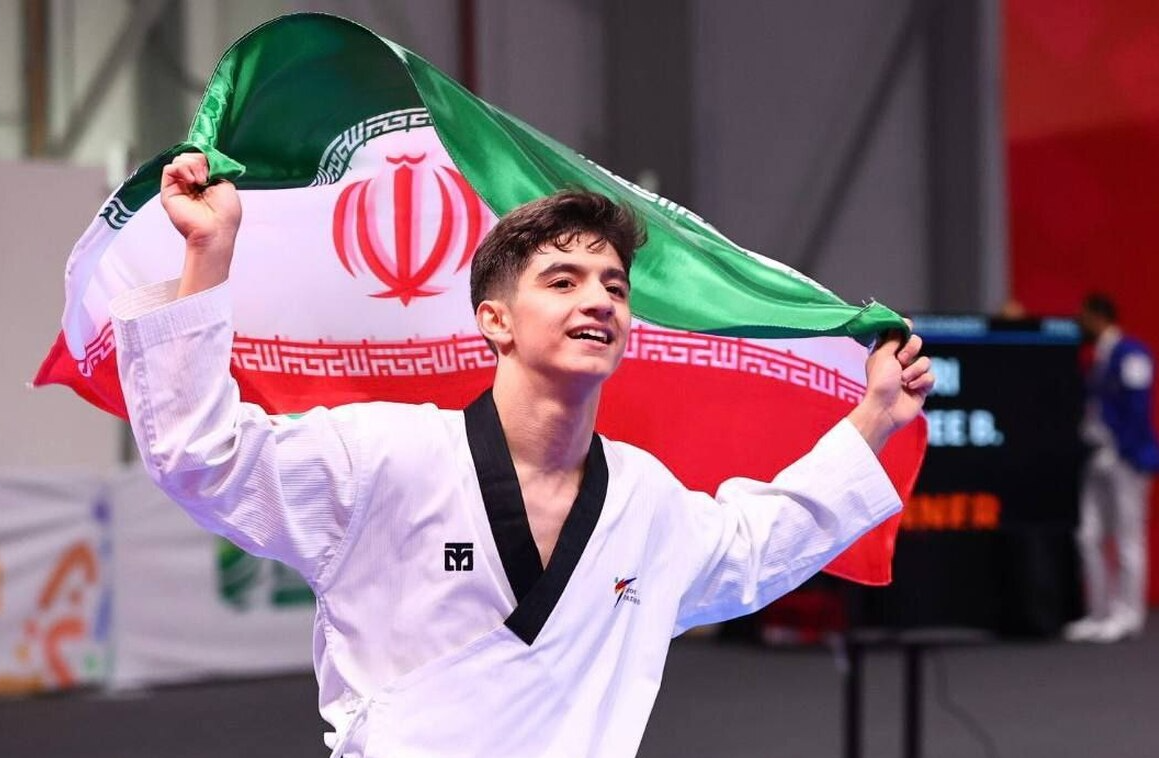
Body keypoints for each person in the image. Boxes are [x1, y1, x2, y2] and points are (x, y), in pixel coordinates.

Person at [111, 152, 934, 757]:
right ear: (495, 320)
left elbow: (759, 544)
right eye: (563, 281)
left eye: (615, 287)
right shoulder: (389, 458)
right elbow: (204, 459)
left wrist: (875, 418)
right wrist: (208, 253)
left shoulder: (642, 499)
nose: (599, 301)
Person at [1065, 293, 1159, 643]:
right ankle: (1099, 610)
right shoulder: (1097, 358)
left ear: (1098, 317)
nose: (1080, 324)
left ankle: (1128, 613)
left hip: (1126, 458)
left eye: (1083, 317)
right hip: (1096, 455)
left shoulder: (1132, 354)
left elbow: (1138, 408)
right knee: (1087, 534)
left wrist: (1121, 449)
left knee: (1127, 536)